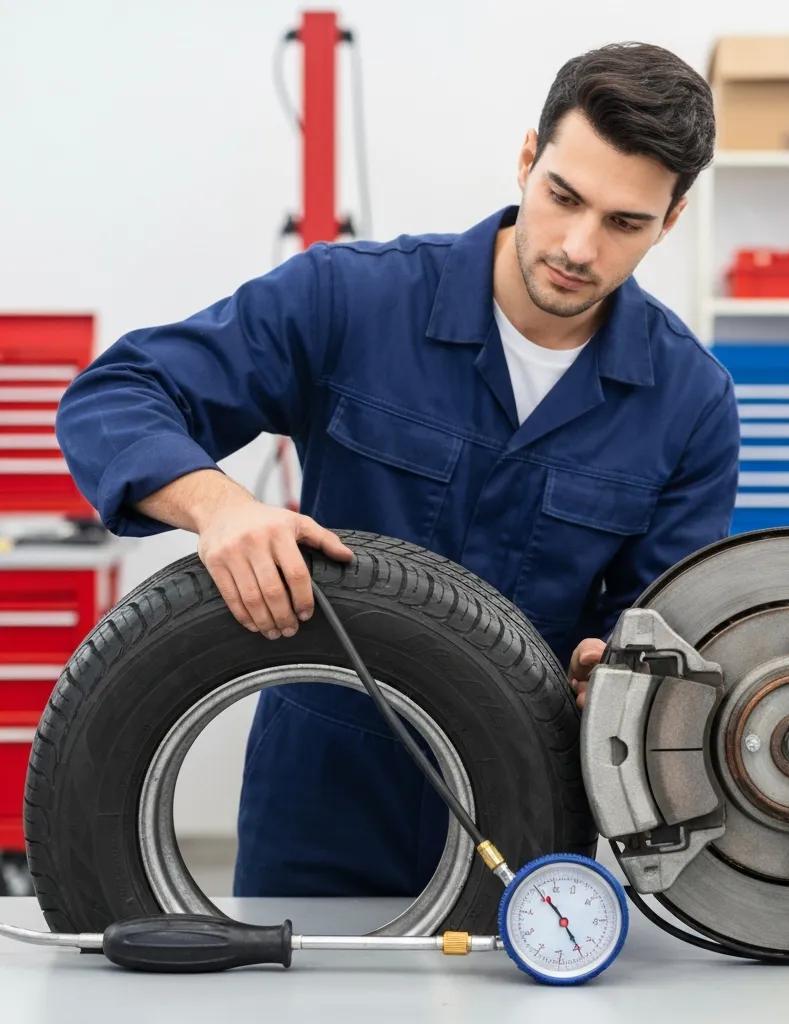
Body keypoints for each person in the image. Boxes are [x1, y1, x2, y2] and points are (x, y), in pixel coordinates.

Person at [56, 41, 739, 898]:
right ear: (528, 158)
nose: (577, 245)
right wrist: (220, 507)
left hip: (526, 809)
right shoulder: (350, 300)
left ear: (669, 221)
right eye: (563, 196)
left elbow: (656, 627)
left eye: (625, 223)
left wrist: (610, 674)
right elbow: (115, 395)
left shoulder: (691, 404)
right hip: (319, 799)